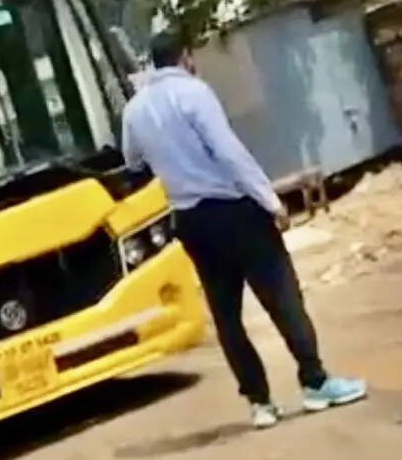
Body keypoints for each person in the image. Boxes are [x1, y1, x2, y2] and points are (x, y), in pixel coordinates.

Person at [121, 30, 367, 429]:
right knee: (282, 296)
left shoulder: (135, 110)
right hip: (235, 209)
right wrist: (270, 201)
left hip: (193, 221)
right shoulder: (195, 93)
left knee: (227, 315)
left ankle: (260, 403)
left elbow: (132, 162)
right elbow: (229, 153)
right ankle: (315, 381)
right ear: (185, 57)